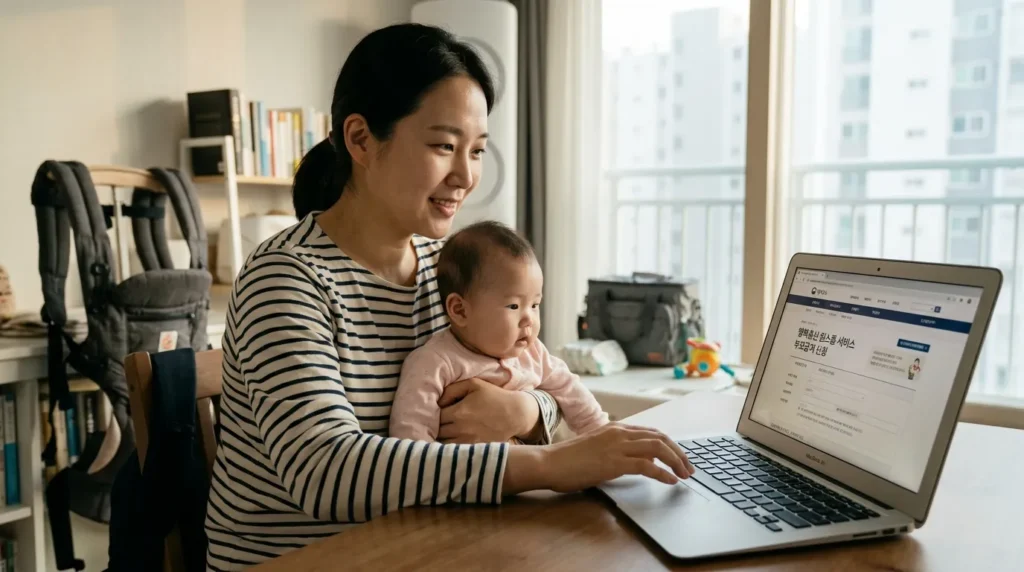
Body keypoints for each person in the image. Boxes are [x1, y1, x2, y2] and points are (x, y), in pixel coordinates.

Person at [205, 23, 693, 570]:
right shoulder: (287, 279)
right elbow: (325, 472)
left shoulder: (452, 269)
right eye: (443, 146)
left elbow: (538, 371)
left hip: (433, 544)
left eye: (477, 150)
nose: (465, 176)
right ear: (361, 139)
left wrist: (525, 411)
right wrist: (548, 463)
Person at [390, 221, 609, 442]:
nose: (529, 320)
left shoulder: (533, 353)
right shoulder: (434, 363)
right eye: (513, 306)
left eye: (534, 305)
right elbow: (411, 439)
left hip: (532, 469)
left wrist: (604, 434)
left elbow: (570, 391)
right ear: (460, 310)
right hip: (470, 473)